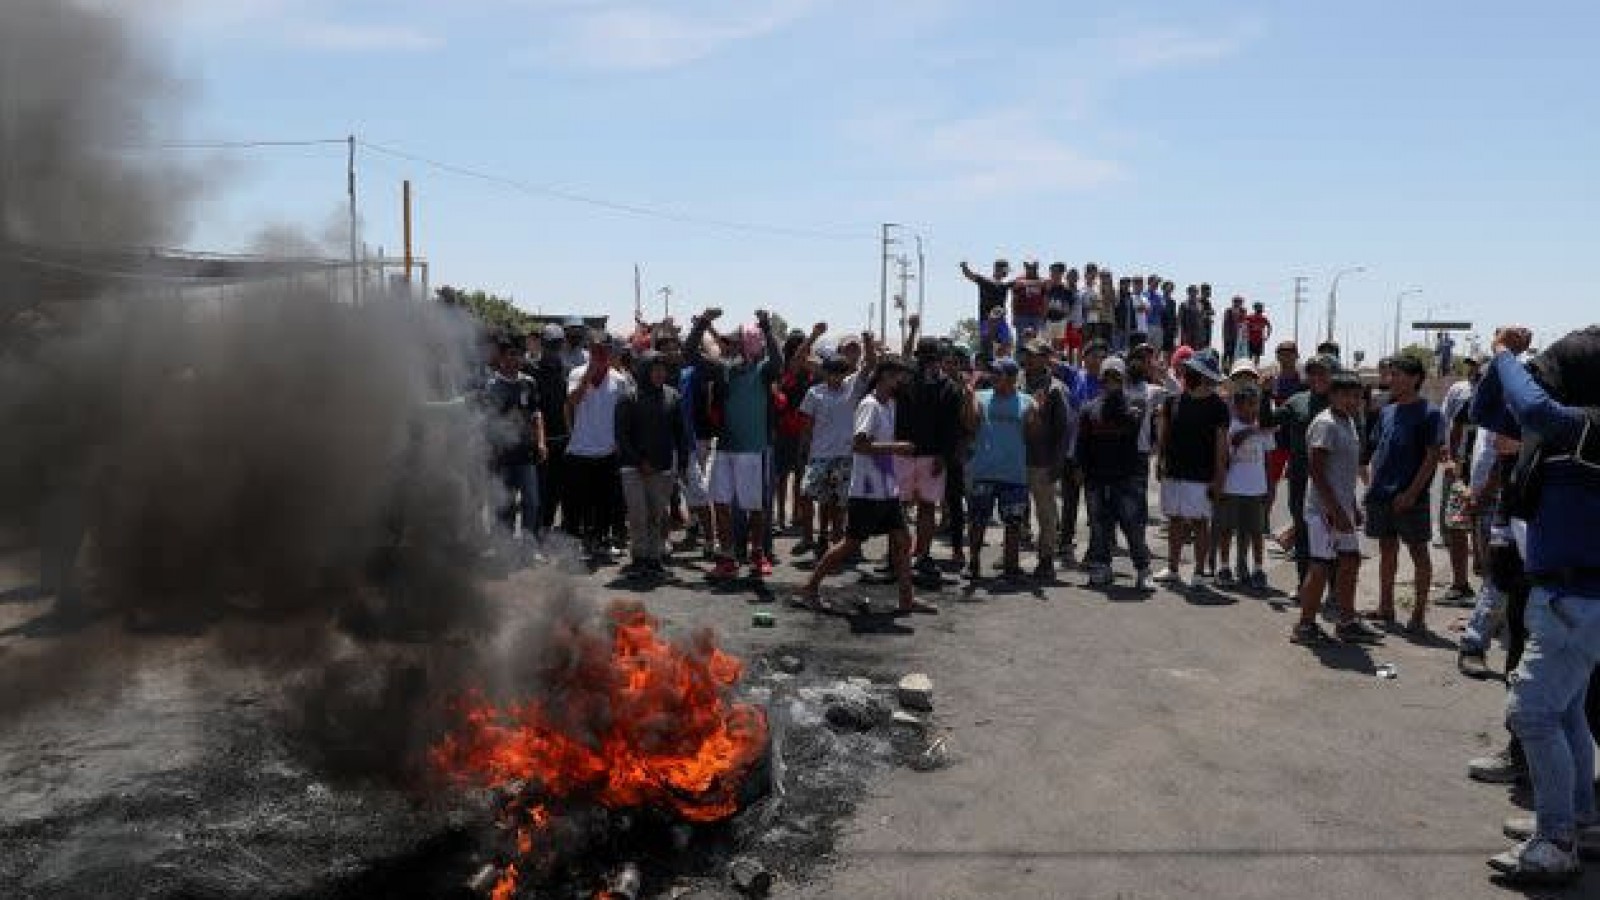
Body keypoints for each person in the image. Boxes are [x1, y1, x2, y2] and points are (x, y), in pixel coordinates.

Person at [1472, 325, 1600, 884]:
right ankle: (1579, 820)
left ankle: (1555, 841)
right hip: (1565, 594)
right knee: (1568, 710)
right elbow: (1491, 411)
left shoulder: (1587, 425)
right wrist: (1501, 368)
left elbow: (1531, 405)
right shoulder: (1567, 431)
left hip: (1579, 596)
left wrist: (1506, 355)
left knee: (1532, 712)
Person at [798, 359, 930, 615]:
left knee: (902, 539)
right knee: (849, 543)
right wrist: (897, 448)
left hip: (885, 488)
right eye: (897, 377)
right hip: (867, 491)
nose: (901, 383)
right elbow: (859, 445)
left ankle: (907, 598)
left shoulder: (889, 405)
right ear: (884, 377)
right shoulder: (869, 406)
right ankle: (810, 587)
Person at [1289, 372, 1387, 646]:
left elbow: (1342, 472)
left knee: (1350, 561)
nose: (1352, 401)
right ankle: (1305, 626)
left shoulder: (1349, 422)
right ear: (1332, 396)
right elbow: (1317, 472)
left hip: (1341, 506)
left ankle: (1346, 622)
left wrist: (1351, 505)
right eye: (1346, 395)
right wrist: (1336, 510)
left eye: (1356, 396)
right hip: (1324, 510)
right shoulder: (1326, 424)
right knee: (1320, 566)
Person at [685, 308, 783, 580]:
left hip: (752, 451)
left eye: (736, 343)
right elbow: (690, 353)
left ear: (748, 346)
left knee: (754, 507)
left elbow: (777, 360)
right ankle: (728, 557)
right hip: (725, 449)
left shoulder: (763, 372)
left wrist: (766, 327)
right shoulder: (723, 371)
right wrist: (703, 322)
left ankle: (758, 554)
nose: (729, 347)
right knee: (720, 503)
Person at [1363, 354, 1443, 633]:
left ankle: (1418, 614)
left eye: (1397, 375)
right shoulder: (1387, 411)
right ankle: (1386, 607)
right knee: (1387, 550)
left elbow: (1432, 457)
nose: (1391, 380)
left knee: (1419, 553)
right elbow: (1376, 450)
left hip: (1411, 497)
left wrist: (1410, 493)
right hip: (1382, 494)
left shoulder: (1430, 413)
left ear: (1414, 379)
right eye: (1391, 374)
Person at [1154, 349, 1230, 590]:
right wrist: (1160, 461)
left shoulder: (1218, 406)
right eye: (1187, 370)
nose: (1186, 373)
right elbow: (1164, 436)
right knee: (1174, 520)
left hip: (1201, 475)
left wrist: (1219, 478)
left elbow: (1221, 445)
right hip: (1174, 471)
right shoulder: (1172, 401)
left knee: (1199, 523)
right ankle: (1173, 568)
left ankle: (1199, 571)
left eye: (1191, 370)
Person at [1077, 356, 1153, 589]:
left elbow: (1131, 425)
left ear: (1124, 379)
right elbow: (1083, 443)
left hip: (1127, 477)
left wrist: (1117, 403)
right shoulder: (1089, 408)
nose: (1111, 381)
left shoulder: (1137, 403)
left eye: (1116, 377)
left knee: (1132, 525)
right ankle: (1101, 567)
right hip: (1096, 478)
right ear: (1100, 379)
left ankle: (1143, 569)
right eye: (1107, 377)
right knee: (1099, 525)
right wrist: (1081, 469)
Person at [614, 351, 690, 577]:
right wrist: (639, 461)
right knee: (638, 514)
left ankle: (654, 558)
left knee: (657, 515)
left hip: (662, 468)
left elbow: (680, 433)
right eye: (654, 369)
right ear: (644, 370)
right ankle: (639, 558)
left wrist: (683, 463)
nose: (659, 374)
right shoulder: (628, 397)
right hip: (632, 467)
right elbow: (621, 435)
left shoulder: (673, 397)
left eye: (662, 369)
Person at [963, 357, 1038, 581]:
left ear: (1013, 378)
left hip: (1014, 473)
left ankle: (1011, 567)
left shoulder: (1028, 401)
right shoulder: (979, 397)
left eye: (1000, 373)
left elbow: (1031, 437)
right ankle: (973, 563)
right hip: (984, 471)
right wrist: (968, 399)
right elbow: (970, 426)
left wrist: (1036, 416)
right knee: (977, 520)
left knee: (1013, 523)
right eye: (993, 373)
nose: (994, 377)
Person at [897, 334, 965, 574]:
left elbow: (953, 427)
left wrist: (943, 456)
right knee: (900, 507)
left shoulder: (950, 389)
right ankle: (900, 554)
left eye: (933, 358)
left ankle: (922, 554)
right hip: (904, 453)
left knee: (926, 507)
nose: (929, 363)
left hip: (932, 457)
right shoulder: (906, 383)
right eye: (925, 358)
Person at [796, 350, 871, 556]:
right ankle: (811, 537)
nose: (835, 376)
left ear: (845, 373)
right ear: (825, 372)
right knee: (809, 494)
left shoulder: (853, 387)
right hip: (819, 454)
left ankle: (836, 542)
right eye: (832, 372)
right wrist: (804, 449)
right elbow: (807, 425)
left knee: (838, 503)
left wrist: (866, 344)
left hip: (845, 456)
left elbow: (870, 365)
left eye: (840, 372)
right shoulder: (814, 393)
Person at [565, 332, 630, 562]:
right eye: (595, 350)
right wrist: (587, 378)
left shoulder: (619, 380)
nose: (599, 355)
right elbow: (572, 401)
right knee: (578, 503)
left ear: (610, 352)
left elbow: (623, 416)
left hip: (607, 451)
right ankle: (575, 544)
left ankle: (601, 541)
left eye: (603, 350)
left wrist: (621, 445)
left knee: (605, 502)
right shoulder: (576, 373)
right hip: (580, 449)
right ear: (589, 351)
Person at [484, 337, 546, 545]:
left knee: (532, 501)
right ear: (501, 358)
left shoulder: (529, 382)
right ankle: (505, 547)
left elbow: (537, 414)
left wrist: (541, 442)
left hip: (526, 453)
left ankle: (528, 545)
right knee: (504, 503)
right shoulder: (491, 386)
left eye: (519, 354)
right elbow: (485, 421)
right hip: (501, 455)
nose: (516, 359)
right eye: (511, 354)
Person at [1281, 354, 1336, 584]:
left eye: (1322, 372)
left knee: (1333, 534)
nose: (1316, 377)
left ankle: (1334, 590)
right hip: (1300, 478)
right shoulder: (1296, 401)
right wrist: (1262, 393)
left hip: (1332, 480)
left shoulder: (1341, 402)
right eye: (1312, 372)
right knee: (1302, 531)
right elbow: (1267, 422)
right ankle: (1303, 583)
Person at [1020, 339, 1071, 580]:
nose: (1028, 359)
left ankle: (1046, 559)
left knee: (1046, 514)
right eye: (1026, 355)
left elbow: (1064, 431)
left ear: (1045, 358)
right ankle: (1012, 558)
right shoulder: (1018, 383)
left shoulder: (1056, 389)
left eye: (1033, 355)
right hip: (1017, 459)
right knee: (1017, 512)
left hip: (1043, 462)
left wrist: (1058, 463)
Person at [1215, 385, 1273, 589]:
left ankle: (1257, 569)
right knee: (1227, 530)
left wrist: (1270, 488)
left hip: (1257, 489)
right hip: (1232, 488)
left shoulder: (1264, 428)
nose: (1250, 409)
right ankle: (1223, 567)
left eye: (1253, 404)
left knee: (1257, 532)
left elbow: (1268, 460)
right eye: (1244, 405)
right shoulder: (1231, 426)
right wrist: (1254, 429)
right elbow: (1234, 441)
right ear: (1236, 407)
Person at [1437, 357, 1482, 607]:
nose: (1476, 377)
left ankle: (1491, 594)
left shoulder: (1507, 401)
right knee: (1456, 526)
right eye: (1474, 373)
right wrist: (1451, 459)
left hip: (1492, 477)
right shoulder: (1465, 396)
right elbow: (1452, 425)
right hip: (1463, 471)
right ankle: (1460, 585)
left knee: (1485, 533)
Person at [529, 324, 573, 534]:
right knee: (539, 490)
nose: (552, 350)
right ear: (542, 345)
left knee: (560, 488)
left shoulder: (566, 372)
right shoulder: (531, 371)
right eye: (549, 345)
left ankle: (549, 528)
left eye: (556, 345)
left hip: (563, 439)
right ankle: (537, 532)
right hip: (540, 441)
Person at [960, 259, 1012, 357]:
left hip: (1000, 320)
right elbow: (970, 275)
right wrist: (964, 267)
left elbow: (1020, 282)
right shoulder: (985, 281)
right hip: (986, 320)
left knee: (1006, 343)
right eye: (1005, 270)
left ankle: (999, 361)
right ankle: (988, 364)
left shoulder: (1005, 285)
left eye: (1007, 271)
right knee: (987, 345)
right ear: (998, 269)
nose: (1006, 273)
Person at [1010, 260, 1050, 339]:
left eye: (1033, 268)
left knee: (1035, 341)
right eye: (1028, 268)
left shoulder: (1042, 282)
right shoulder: (1019, 280)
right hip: (1021, 315)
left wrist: (1044, 317)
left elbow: (1045, 300)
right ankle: (1020, 351)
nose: (1031, 270)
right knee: (1022, 340)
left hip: (1037, 316)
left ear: (1036, 268)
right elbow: (1014, 298)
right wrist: (1013, 315)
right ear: (1025, 268)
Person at [1221, 296, 1247, 369]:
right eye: (1237, 301)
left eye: (1240, 302)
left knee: (1234, 353)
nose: (1238, 303)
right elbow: (1225, 324)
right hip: (1229, 335)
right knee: (1226, 352)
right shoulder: (1228, 311)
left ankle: (1232, 367)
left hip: (1239, 336)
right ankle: (1223, 367)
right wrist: (1225, 336)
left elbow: (1244, 322)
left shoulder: (1243, 311)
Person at [1243, 302, 1272, 366]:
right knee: (1249, 355)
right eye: (1258, 308)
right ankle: (1250, 367)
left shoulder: (1263, 318)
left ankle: (1256, 367)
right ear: (1255, 309)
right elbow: (1243, 325)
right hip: (1250, 339)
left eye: (1260, 308)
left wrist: (1267, 336)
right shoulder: (1249, 317)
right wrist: (1245, 334)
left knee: (1257, 355)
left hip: (1259, 339)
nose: (1259, 310)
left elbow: (1269, 327)